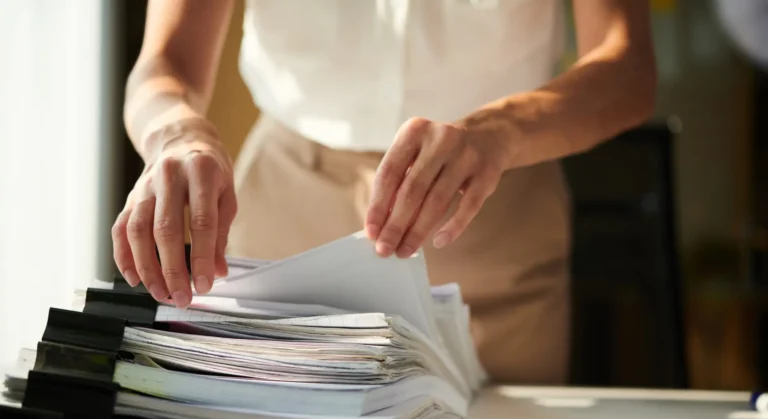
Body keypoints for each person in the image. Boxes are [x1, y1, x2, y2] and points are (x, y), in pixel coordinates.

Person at [114, 0, 656, 384]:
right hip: (286, 210)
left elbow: (626, 65)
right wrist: (175, 134)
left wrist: (500, 130)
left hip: (490, 211)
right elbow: (165, 65)